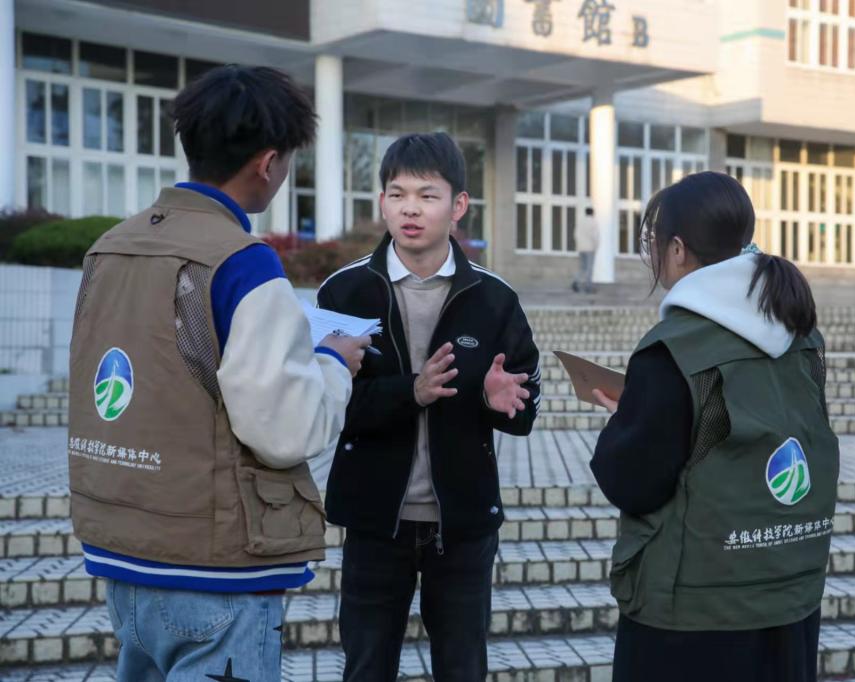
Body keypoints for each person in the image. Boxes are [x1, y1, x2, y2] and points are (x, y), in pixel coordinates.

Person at [66, 66, 369, 682]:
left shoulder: (109, 247)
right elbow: (284, 431)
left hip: (122, 551)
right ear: (268, 163)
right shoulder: (242, 263)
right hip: (213, 569)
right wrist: (335, 363)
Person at [589, 171, 839, 682]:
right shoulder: (800, 335)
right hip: (790, 598)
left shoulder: (674, 348)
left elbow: (633, 483)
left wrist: (626, 423)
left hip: (694, 615)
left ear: (678, 249)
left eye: (654, 242)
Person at [317, 132, 541, 681]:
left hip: (462, 524)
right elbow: (324, 407)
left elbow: (526, 408)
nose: (410, 208)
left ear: (458, 205)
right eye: (397, 194)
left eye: (427, 195)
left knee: (463, 668)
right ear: (381, 202)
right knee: (366, 668)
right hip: (375, 521)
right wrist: (410, 392)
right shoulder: (345, 292)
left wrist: (495, 402)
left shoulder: (494, 298)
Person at [573, 206, 599, 293]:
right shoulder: (593, 222)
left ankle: (576, 281)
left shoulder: (580, 221)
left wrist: (578, 245)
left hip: (581, 247)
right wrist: (596, 246)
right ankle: (588, 287)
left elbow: (576, 234)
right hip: (590, 248)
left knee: (582, 267)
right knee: (589, 268)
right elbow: (595, 235)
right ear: (592, 213)